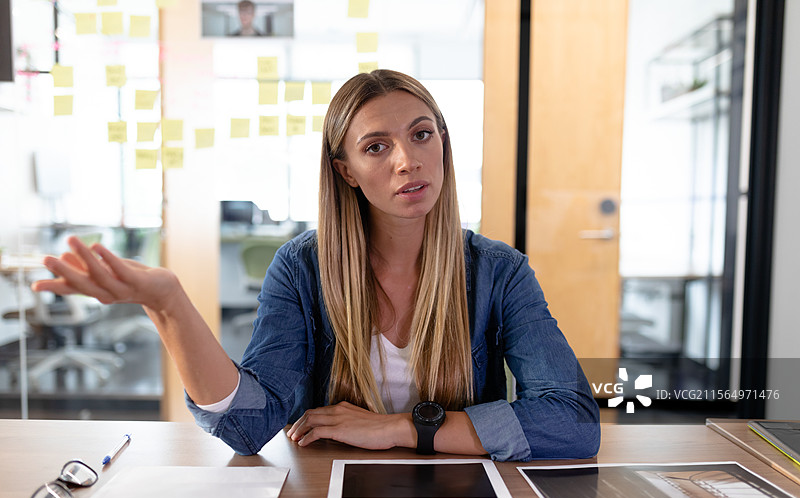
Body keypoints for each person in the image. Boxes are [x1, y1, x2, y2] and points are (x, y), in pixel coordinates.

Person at [33, 70, 600, 462]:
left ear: (443, 146)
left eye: (422, 134)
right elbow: (246, 428)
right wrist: (169, 304)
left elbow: (572, 421)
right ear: (346, 170)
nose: (408, 160)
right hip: (330, 491)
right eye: (377, 146)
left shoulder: (500, 271)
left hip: (459, 497)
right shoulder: (302, 268)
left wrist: (404, 430)